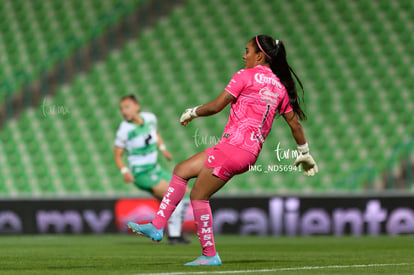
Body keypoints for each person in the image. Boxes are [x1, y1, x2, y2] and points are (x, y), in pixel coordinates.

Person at [127, 34, 318, 265]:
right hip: (245, 152)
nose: (243, 55)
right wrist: (304, 153)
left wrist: (194, 111)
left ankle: (209, 255)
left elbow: (217, 106)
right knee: (181, 170)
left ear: (259, 56)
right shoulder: (279, 87)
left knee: (199, 195)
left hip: (233, 148)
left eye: (247, 51)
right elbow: (294, 124)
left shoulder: (244, 75)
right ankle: (157, 227)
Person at [114, 95, 190, 245]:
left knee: (184, 192)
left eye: (127, 107)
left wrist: (163, 149)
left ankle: (174, 234)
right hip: (141, 173)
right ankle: (174, 236)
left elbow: (156, 133)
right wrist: (124, 172)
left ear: (137, 106)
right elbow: (117, 155)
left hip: (156, 169)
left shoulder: (150, 118)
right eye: (122, 109)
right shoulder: (125, 129)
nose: (124, 111)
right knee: (174, 195)